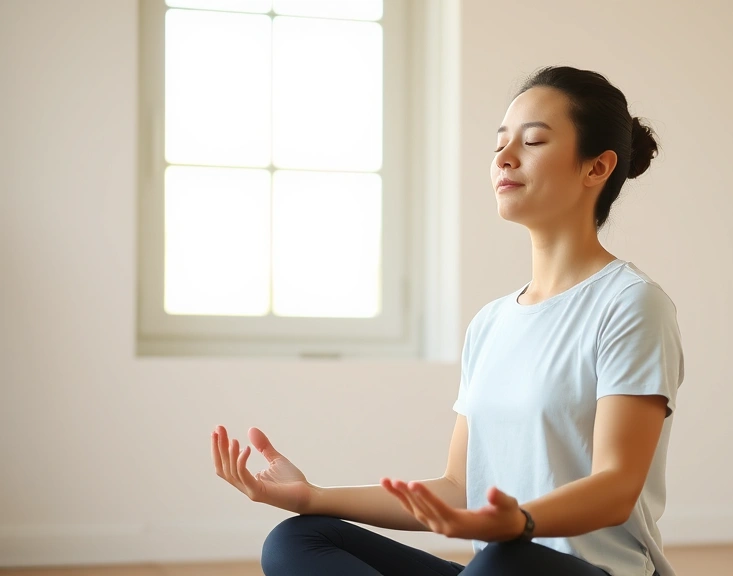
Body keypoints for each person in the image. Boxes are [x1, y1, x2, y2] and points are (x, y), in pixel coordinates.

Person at [211, 65, 684, 576]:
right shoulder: (490, 324)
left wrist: (517, 523)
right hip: (495, 568)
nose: (504, 157)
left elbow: (615, 487)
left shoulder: (631, 304)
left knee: (503, 563)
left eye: (533, 141)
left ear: (596, 168)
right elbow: (458, 489)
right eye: (500, 143)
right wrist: (314, 495)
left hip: (584, 571)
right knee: (299, 538)